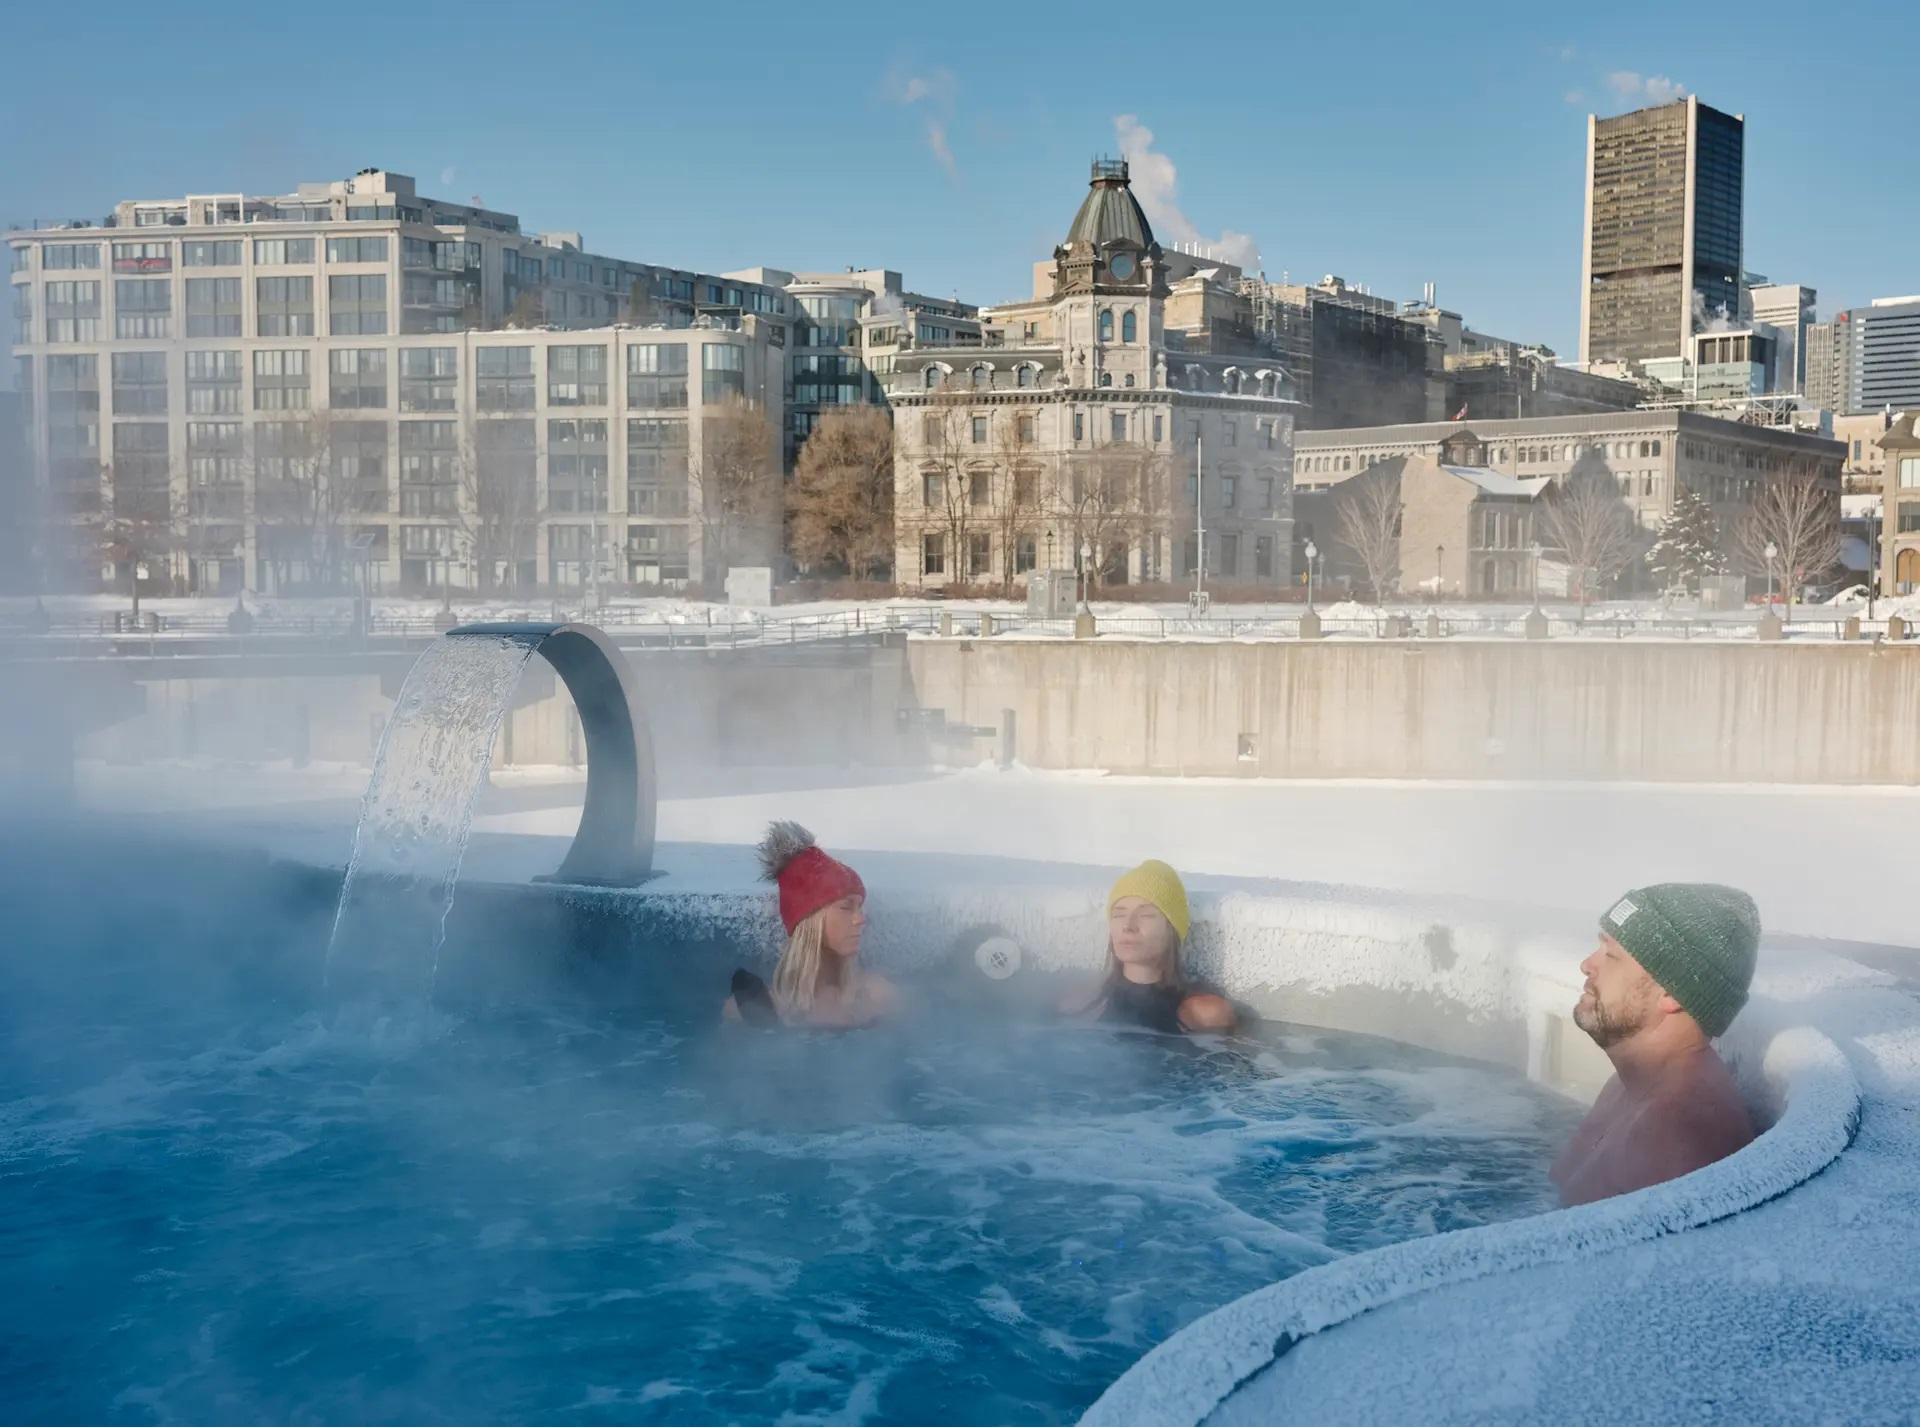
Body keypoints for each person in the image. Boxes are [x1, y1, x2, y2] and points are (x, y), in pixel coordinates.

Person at [1550, 883, 1760, 1207]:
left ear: (1671, 993)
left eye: (1611, 955)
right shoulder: (1632, 1085)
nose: (1587, 965)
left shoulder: (1680, 1134)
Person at [722, 821, 898, 1029]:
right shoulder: (750, 1008)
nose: (860, 919)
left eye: (860, 907)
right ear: (809, 919)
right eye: (846, 907)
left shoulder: (878, 997)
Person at [1061, 860, 1237, 1035]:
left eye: (1146, 915)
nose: (1128, 926)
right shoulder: (1080, 1003)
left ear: (1172, 928)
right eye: (1119, 914)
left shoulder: (1205, 1014)